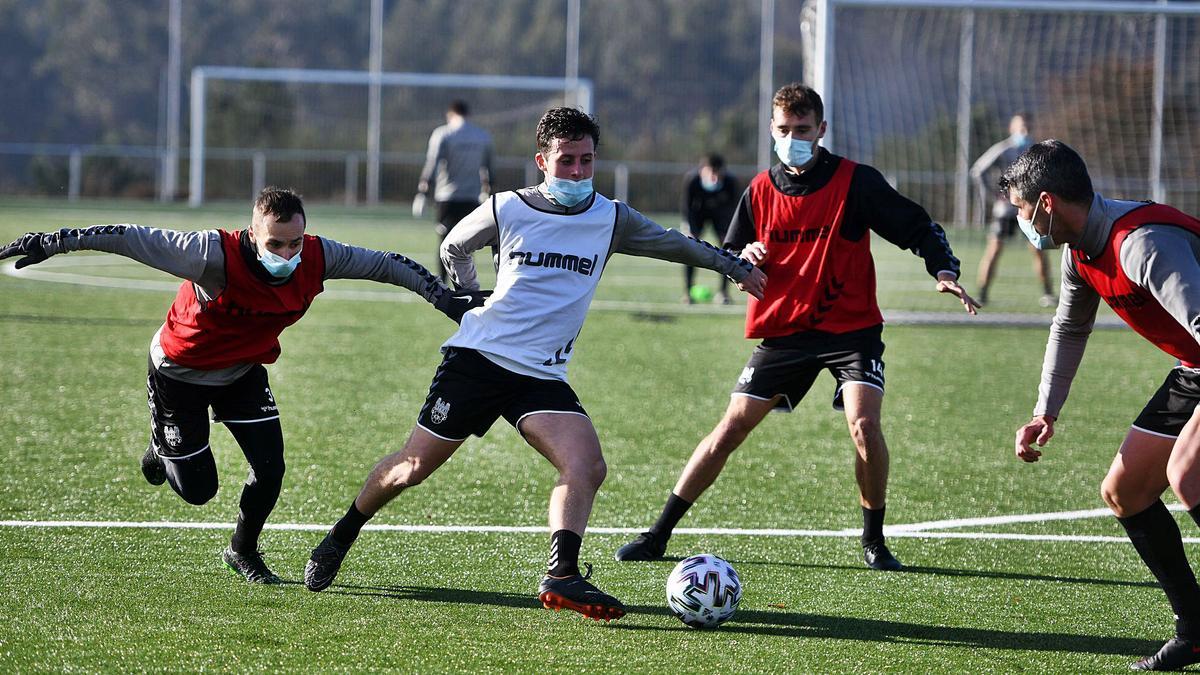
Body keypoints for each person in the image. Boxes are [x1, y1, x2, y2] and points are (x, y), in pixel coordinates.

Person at [302, 107, 767, 621]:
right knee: (411, 468)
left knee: (587, 464)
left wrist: (733, 268)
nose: (577, 173)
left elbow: (677, 245)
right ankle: (339, 538)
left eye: (586, 161)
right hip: (479, 360)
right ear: (541, 161)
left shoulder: (610, 218)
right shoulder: (508, 208)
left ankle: (562, 575)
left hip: (541, 374)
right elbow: (455, 243)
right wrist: (469, 293)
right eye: (566, 161)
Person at [0, 187, 481, 584]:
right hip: (179, 375)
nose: (288, 254)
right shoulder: (211, 256)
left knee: (271, 470)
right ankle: (160, 444)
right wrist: (54, 240)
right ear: (252, 234)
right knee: (198, 491)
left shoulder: (317, 256)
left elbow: (388, 265)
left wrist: (445, 300)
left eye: (295, 243)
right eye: (275, 244)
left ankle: (242, 551)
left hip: (242, 372)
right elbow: (129, 238)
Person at [615, 83, 978, 571]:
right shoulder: (760, 191)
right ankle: (658, 534)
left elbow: (918, 226)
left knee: (864, 424)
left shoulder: (856, 182)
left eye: (802, 130)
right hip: (786, 331)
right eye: (784, 130)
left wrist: (944, 270)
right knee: (730, 428)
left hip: (851, 330)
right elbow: (731, 255)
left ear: (821, 130)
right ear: (771, 130)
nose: (793, 138)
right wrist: (745, 258)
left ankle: (874, 540)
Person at [1005, 140, 1200, 671]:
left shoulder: (1141, 244)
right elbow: (1070, 327)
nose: (1021, 222)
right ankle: (1196, 628)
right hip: (1195, 368)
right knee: (1125, 491)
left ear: (1046, 204)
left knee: (1188, 477)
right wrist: (1046, 410)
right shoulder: (1079, 252)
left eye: (1021, 210)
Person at [972, 113, 1054, 307]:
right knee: (995, 249)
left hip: (1031, 211)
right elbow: (978, 170)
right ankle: (982, 293)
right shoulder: (1004, 149)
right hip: (1007, 211)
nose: (1024, 130)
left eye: (1027, 126)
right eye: (1020, 126)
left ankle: (1048, 293)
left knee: (1039, 249)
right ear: (1012, 128)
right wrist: (996, 194)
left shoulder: (1037, 150)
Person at [414, 99, 494, 283]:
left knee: (444, 241)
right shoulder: (482, 136)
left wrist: (422, 193)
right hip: (472, 198)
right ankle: (467, 286)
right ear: (468, 114)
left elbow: (432, 164)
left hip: (447, 197)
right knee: (467, 244)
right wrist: (490, 191)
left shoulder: (444, 134)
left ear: (450, 115)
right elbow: (490, 168)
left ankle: (441, 284)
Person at [681, 153, 740, 304]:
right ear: (702, 170)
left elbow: (734, 208)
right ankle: (688, 293)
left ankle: (724, 293)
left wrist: (728, 231)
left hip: (720, 215)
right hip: (698, 214)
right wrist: (690, 229)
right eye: (710, 172)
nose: (713, 177)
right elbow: (687, 207)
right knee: (689, 248)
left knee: (727, 250)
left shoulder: (730, 182)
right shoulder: (692, 180)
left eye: (717, 173)